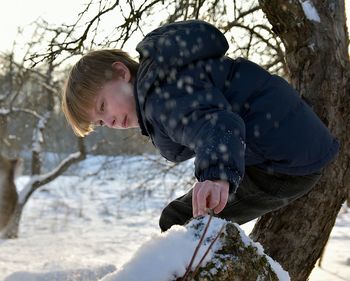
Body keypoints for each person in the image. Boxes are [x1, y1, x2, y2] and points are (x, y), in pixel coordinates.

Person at [62, 20, 340, 232]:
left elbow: (217, 124)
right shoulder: (166, 78)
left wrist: (217, 175)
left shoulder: (160, 98)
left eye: (102, 107)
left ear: (122, 73)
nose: (109, 121)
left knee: (180, 221)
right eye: (100, 122)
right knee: (184, 217)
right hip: (288, 141)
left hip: (284, 165)